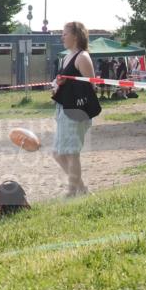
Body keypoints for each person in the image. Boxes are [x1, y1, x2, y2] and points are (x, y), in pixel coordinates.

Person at [51, 21, 96, 196]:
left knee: (71, 153)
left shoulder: (82, 57)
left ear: (75, 36)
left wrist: (66, 85)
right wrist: (58, 86)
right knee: (58, 153)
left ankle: (71, 192)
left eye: (65, 34)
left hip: (76, 111)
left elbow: (91, 87)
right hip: (63, 109)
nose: (62, 37)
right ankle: (82, 189)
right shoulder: (66, 57)